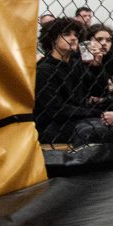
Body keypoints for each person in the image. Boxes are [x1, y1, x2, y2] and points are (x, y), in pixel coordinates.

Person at [33, 17, 102, 145]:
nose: (73, 38)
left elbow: (98, 90)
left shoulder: (76, 64)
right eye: (66, 34)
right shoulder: (44, 70)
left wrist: (96, 66)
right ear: (53, 39)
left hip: (79, 120)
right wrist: (96, 113)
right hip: (52, 127)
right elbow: (56, 110)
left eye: (76, 35)